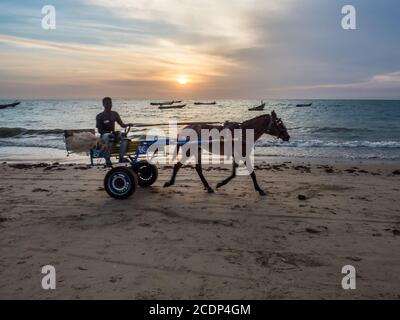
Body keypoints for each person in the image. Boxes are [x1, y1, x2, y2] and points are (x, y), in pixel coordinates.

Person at [96, 97, 132, 166]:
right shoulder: (99, 116)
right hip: (104, 136)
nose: (109, 105)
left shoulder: (115, 114)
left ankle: (121, 157)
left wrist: (128, 125)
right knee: (110, 136)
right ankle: (107, 159)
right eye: (107, 103)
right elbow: (100, 131)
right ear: (103, 104)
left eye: (110, 103)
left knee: (124, 137)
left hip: (113, 134)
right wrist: (110, 133)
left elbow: (122, 125)